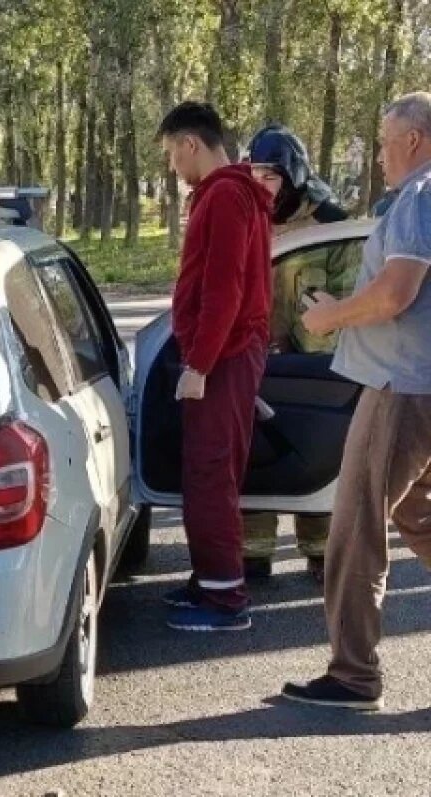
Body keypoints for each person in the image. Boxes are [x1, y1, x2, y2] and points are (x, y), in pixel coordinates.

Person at [282, 92, 431, 710]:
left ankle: (352, 677)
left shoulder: (418, 197)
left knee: (354, 528)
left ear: (415, 140)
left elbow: (396, 293)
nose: (376, 155)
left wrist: (331, 318)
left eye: (382, 140)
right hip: (419, 384)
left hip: (402, 387)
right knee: (418, 519)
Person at [157, 101, 275, 632]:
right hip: (225, 353)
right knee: (205, 471)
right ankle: (209, 578)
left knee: (211, 473)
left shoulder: (226, 195)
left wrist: (199, 364)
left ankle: (226, 599)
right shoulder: (227, 193)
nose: (171, 168)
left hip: (223, 357)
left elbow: (223, 289)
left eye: (170, 154)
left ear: (190, 144)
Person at [240, 125, 351, 584]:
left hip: (315, 365)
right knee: (257, 453)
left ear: (293, 175)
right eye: (256, 177)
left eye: (270, 178)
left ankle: (320, 550)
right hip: (259, 356)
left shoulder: (331, 222)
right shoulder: (247, 218)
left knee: (315, 453)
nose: (262, 187)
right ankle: (253, 552)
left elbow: (349, 292)